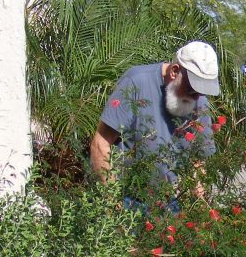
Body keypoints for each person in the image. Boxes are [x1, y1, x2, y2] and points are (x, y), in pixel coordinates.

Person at [90, 41, 220, 208]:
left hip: (173, 203)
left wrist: (198, 207)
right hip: (126, 200)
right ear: (175, 71)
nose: (196, 97)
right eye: (192, 89)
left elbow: (198, 159)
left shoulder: (199, 101)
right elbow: (100, 144)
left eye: (201, 92)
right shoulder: (136, 82)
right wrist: (110, 203)